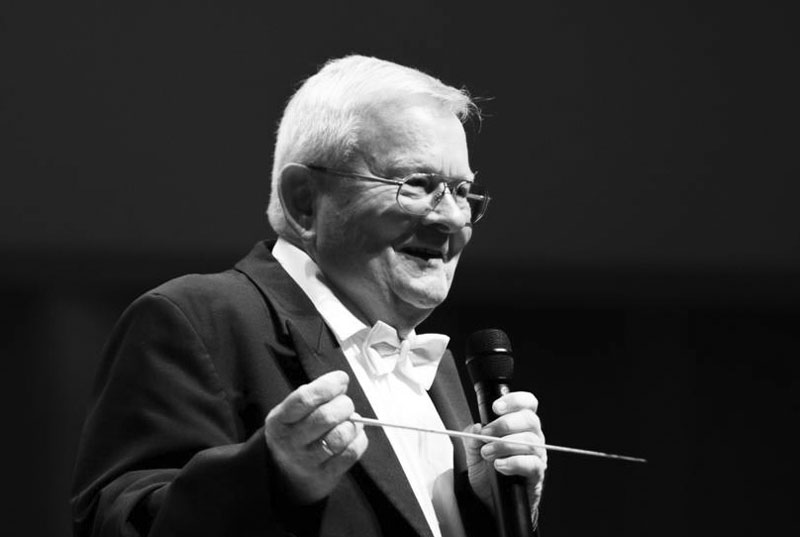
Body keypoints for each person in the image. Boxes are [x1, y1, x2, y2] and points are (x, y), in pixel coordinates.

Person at [72, 55, 546, 537]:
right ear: (304, 200)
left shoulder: (436, 371)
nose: (450, 218)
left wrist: (487, 509)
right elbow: (117, 525)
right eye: (417, 185)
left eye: (462, 191)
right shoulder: (199, 319)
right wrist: (270, 478)